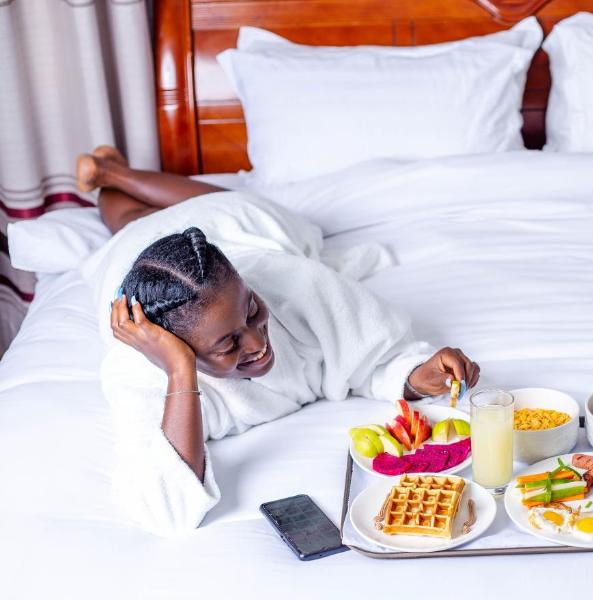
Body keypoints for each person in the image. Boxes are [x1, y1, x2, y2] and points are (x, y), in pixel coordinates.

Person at [78, 147, 480, 535]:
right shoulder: (134, 372)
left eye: (253, 310)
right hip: (134, 253)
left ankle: (113, 173)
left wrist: (415, 375)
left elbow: (375, 354)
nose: (257, 344)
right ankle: (107, 177)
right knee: (131, 221)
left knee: (228, 207)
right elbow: (167, 509)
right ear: (166, 345)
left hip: (240, 229)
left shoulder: (293, 280)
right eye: (227, 345)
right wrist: (179, 369)